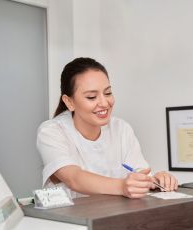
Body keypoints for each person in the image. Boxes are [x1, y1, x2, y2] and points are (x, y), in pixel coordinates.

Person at [37, 57, 178, 199]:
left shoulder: (121, 129)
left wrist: (154, 181)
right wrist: (122, 186)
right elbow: (74, 178)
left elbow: (140, 173)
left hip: (114, 216)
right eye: (92, 97)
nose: (104, 103)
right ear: (69, 102)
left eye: (108, 93)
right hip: (67, 219)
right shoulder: (51, 131)